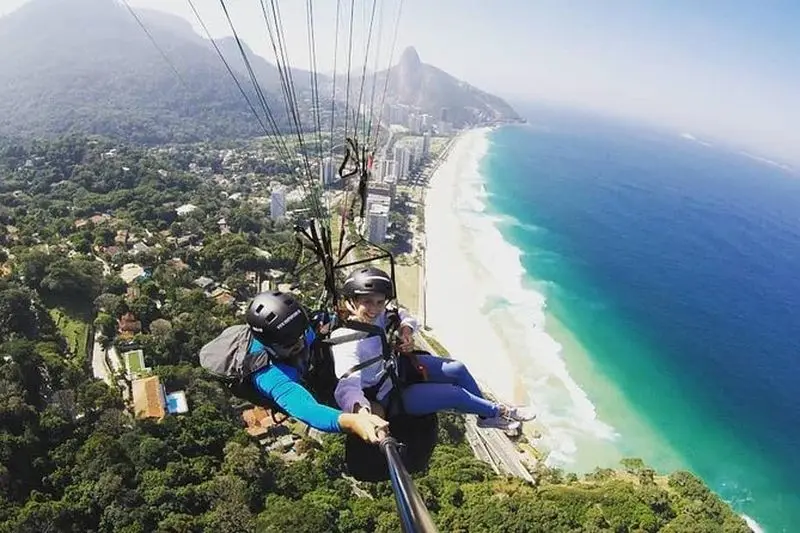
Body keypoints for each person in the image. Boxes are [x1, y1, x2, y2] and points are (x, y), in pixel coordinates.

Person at [330, 266, 535, 431]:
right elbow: (347, 386)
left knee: (457, 368)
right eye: (367, 302)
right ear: (352, 302)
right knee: (455, 395)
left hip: (397, 369)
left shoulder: (380, 315)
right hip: (388, 394)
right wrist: (361, 413)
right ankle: (500, 411)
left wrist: (406, 330)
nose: (374, 309)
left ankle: (485, 416)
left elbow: (402, 314)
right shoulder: (346, 339)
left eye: (379, 302)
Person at [244, 290, 390, 444]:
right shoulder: (267, 373)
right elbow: (307, 409)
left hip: (316, 365)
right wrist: (353, 422)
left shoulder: (296, 325)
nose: (300, 344)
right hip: (311, 387)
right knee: (374, 408)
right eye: (290, 344)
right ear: (269, 346)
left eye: (302, 334)